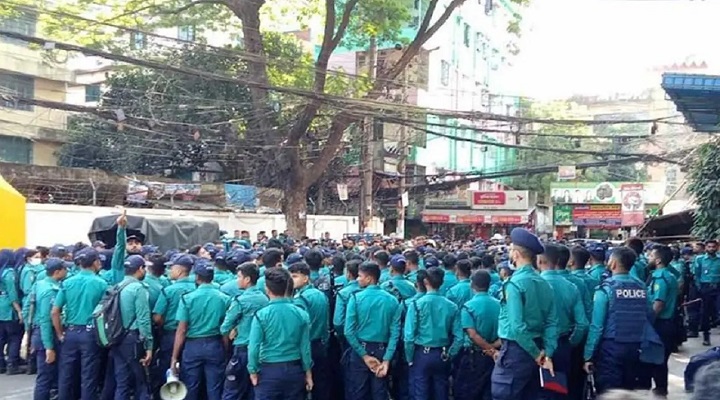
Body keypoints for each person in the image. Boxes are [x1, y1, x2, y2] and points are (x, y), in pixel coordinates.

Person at [491, 227, 558, 400]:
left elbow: (517, 327)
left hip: (516, 352)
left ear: (516, 254)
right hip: (539, 348)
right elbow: (552, 323)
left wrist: (536, 354)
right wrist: (547, 354)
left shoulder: (514, 284)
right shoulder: (544, 284)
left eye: (511, 249)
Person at [583, 247, 649, 394]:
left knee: (609, 392)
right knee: (628, 391)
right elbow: (649, 316)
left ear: (613, 263)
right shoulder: (641, 287)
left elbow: (597, 327)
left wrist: (588, 356)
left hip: (611, 348)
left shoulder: (606, 289)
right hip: (635, 346)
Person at [248, 267, 313, 400]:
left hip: (268, 371)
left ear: (267, 289)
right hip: (294, 370)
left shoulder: (261, 315)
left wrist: (253, 371)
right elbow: (305, 348)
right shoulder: (301, 314)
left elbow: (253, 347)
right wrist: (308, 372)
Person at [51, 248, 108, 400]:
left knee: (66, 373)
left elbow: (55, 311)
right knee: (89, 376)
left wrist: (59, 333)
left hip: (70, 332)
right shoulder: (101, 283)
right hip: (90, 333)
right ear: (95, 262)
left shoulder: (67, 282)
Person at [172, 259, 230, 400]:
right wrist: (226, 350)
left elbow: (181, 330)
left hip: (193, 346)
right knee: (215, 387)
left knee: (191, 387)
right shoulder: (224, 299)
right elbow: (226, 330)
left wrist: (174, 357)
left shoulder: (188, 299)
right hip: (215, 344)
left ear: (197, 278)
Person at [344, 261, 402, 400]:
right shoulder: (392, 300)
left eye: (359, 276)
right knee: (380, 393)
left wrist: (364, 356)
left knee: (358, 392)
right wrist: (387, 360)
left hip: (359, 351)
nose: (357, 279)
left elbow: (348, 331)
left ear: (369, 278)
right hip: (382, 351)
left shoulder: (356, 298)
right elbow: (395, 333)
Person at [537, 244, 589, 400]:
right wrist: (571, 343)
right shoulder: (571, 287)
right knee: (561, 389)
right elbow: (582, 323)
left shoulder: (533, 286)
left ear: (539, 261)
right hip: (562, 345)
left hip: (537, 347)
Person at [404, 266, 463, 400]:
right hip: (442, 353)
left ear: (425, 282)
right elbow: (459, 337)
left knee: (420, 392)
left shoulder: (416, 304)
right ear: (441, 282)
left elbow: (408, 337)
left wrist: (409, 358)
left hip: (421, 353)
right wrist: (450, 354)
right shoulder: (451, 306)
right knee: (441, 391)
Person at [220, 262, 269, 400]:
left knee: (233, 390)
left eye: (239, 276)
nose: (237, 280)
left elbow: (224, 327)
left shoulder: (240, 301)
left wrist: (234, 329)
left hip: (242, 348)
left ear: (247, 279)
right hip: (261, 349)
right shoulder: (265, 298)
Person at [151, 254, 197, 394]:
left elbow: (157, 318)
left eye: (171, 268)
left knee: (168, 371)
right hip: (192, 336)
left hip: (171, 335)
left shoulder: (169, 290)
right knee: (190, 374)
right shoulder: (197, 288)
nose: (169, 270)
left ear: (180, 270)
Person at [453, 269, 500, 400]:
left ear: (472, 284)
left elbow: (472, 334)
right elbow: (505, 331)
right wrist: (493, 349)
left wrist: (489, 349)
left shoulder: (469, 306)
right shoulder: (499, 305)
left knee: (468, 391)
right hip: (496, 355)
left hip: (475, 356)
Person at [113, 254, 153, 400]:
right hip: (133, 340)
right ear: (140, 269)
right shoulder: (138, 289)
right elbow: (143, 319)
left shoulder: (117, 286)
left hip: (117, 337)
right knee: (141, 383)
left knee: (122, 382)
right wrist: (149, 346)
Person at [288, 261, 331, 400]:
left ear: (305, 278)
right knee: (321, 384)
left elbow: (298, 327)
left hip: (307, 345)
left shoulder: (301, 299)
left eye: (295, 276)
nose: (291, 280)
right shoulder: (320, 294)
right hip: (321, 344)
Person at [32, 258, 68, 399]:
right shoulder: (49, 291)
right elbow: (46, 320)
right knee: (45, 376)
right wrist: (49, 347)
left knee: (48, 376)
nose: (67, 271)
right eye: (65, 269)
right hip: (47, 334)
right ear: (57, 272)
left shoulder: (40, 283)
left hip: (41, 333)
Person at [647, 245, 678, 397]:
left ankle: (660, 391)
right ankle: (660, 389)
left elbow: (658, 304)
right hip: (667, 323)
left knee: (658, 360)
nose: (648, 258)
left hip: (661, 324)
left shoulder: (661, 278)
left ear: (658, 260)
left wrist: (647, 323)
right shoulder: (670, 275)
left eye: (651, 256)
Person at [692, 240, 720, 346]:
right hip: (705, 287)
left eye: (713, 247)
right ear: (706, 248)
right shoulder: (700, 259)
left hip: (718, 287)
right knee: (705, 313)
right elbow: (697, 274)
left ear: (717, 247)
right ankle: (706, 336)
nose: (711, 249)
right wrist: (700, 288)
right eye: (709, 247)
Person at [0, 249, 23, 375]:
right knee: (14, 337)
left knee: (1, 337)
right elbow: (12, 294)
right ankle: (12, 364)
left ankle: (1, 364)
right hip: (8, 308)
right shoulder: (9, 273)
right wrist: (19, 310)